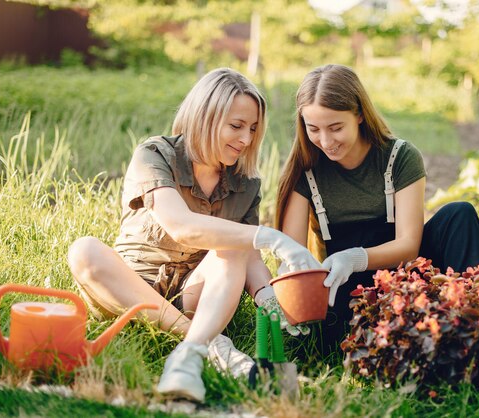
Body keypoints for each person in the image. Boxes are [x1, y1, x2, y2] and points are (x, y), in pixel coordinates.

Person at [67, 68, 320, 403]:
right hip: (129, 289)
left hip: (195, 295)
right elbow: (181, 225)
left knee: (232, 246)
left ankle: (187, 355)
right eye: (236, 126)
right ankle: (208, 344)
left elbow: (249, 255)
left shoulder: (245, 183)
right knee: (84, 250)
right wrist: (272, 237)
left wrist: (268, 296)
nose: (246, 139)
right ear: (205, 116)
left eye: (253, 129)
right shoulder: (155, 155)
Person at [275, 64, 479, 357]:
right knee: (338, 330)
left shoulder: (399, 157)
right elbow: (292, 253)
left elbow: (409, 246)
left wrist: (356, 257)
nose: (325, 141)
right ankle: (403, 340)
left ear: (359, 115)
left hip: (407, 273)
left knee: (460, 214)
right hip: (349, 291)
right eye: (314, 129)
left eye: (336, 127)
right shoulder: (305, 172)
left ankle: (472, 326)